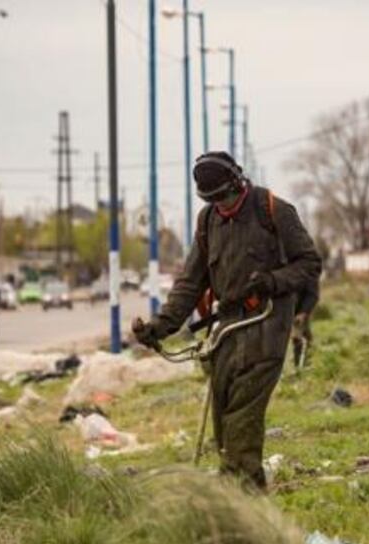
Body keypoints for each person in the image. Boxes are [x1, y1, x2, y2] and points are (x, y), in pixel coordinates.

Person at [132, 151, 321, 491]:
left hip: (267, 321)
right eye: (215, 200)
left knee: (242, 415)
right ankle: (236, 489)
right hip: (228, 328)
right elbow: (191, 282)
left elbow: (309, 263)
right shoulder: (207, 222)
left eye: (227, 196)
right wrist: (160, 326)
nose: (224, 205)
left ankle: (243, 497)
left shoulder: (274, 210)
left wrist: (273, 281)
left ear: (239, 183)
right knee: (223, 412)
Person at [291, 279, 319, 370]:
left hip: (298, 312)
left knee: (301, 339)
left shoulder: (308, 271)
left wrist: (303, 312)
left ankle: (301, 368)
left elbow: (313, 295)